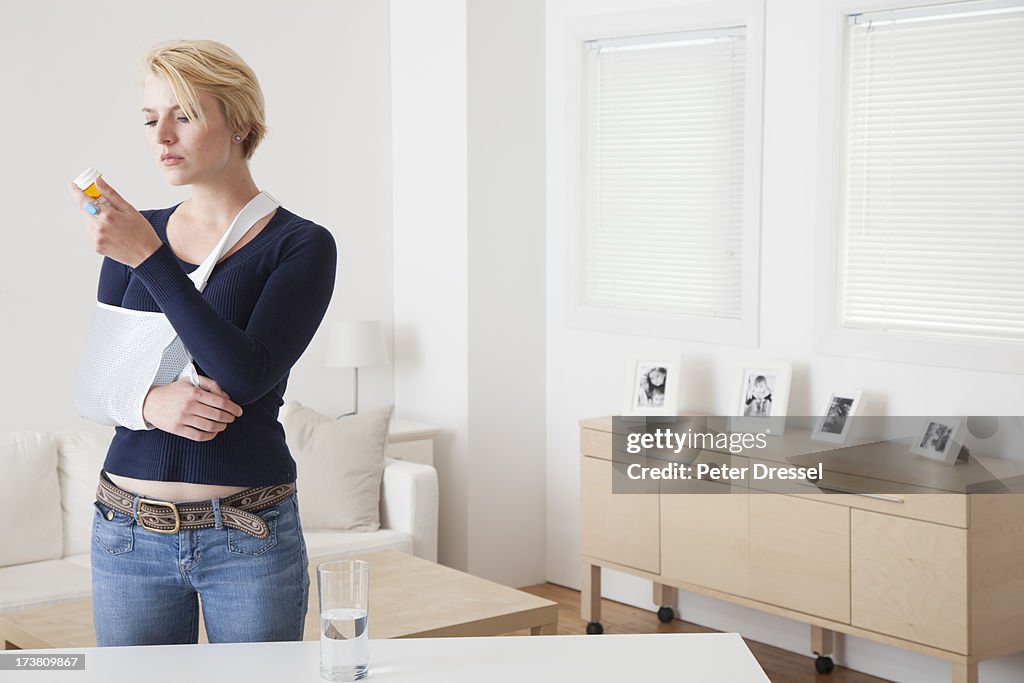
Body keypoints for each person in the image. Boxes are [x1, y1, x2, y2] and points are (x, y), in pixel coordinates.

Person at [67, 40, 337, 646]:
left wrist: (150, 259)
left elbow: (244, 375)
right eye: (149, 118)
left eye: (183, 115)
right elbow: (95, 387)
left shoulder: (300, 246)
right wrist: (146, 404)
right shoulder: (136, 232)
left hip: (247, 534)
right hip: (126, 530)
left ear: (240, 123)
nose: (161, 135)